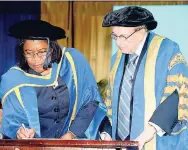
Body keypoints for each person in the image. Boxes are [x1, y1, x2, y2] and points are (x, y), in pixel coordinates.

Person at [0, 20, 106, 139]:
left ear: (52, 49)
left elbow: (90, 101)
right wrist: (19, 132)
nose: (35, 59)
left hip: (74, 139)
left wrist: (70, 135)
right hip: (37, 145)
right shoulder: (14, 79)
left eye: (42, 52)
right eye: (28, 53)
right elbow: (12, 119)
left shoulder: (72, 62)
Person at [102, 6, 188, 150]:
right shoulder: (116, 59)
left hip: (155, 140)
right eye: (114, 36)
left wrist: (149, 132)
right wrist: (108, 131)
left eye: (123, 36)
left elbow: (178, 94)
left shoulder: (167, 51)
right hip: (121, 143)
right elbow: (110, 100)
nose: (118, 42)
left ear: (141, 31)